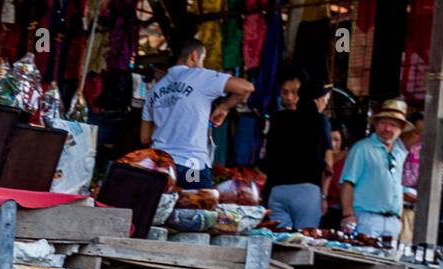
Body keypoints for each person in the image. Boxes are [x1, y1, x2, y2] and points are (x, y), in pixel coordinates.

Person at [140, 38, 253, 188]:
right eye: (203, 59)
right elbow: (246, 88)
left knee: (160, 209)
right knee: (194, 207)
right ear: (194, 56)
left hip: (159, 166)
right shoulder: (200, 76)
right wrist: (224, 107)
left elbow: (145, 138)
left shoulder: (155, 90)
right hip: (191, 167)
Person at [261, 80, 331, 229]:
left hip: (277, 191)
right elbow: (328, 166)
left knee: (279, 242)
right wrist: (324, 196)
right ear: (317, 100)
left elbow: (268, 154)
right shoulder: (320, 121)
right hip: (306, 192)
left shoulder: (277, 118)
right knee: (304, 243)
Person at [339, 98, 409, 240]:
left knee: (388, 262)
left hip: (392, 221)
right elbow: (347, 183)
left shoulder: (400, 153)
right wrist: (348, 214)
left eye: (393, 125)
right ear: (375, 124)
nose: (387, 128)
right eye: (383, 123)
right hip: (366, 218)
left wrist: (399, 216)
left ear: (400, 130)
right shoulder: (362, 148)